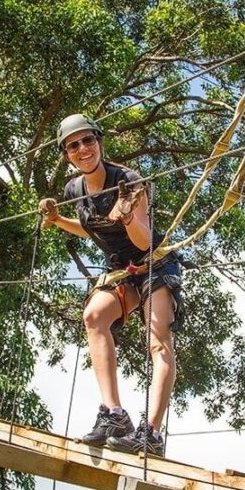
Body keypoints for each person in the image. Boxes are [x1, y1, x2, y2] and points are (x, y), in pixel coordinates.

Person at [38, 114, 184, 456]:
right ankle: (115, 415)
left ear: (99, 142)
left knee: (158, 341)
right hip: (122, 268)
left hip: (154, 261)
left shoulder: (129, 182)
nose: (83, 148)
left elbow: (145, 240)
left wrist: (129, 216)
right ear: (66, 154)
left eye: (88, 140)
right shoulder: (74, 189)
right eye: (74, 145)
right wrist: (58, 219)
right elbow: (92, 228)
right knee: (94, 316)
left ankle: (151, 433)